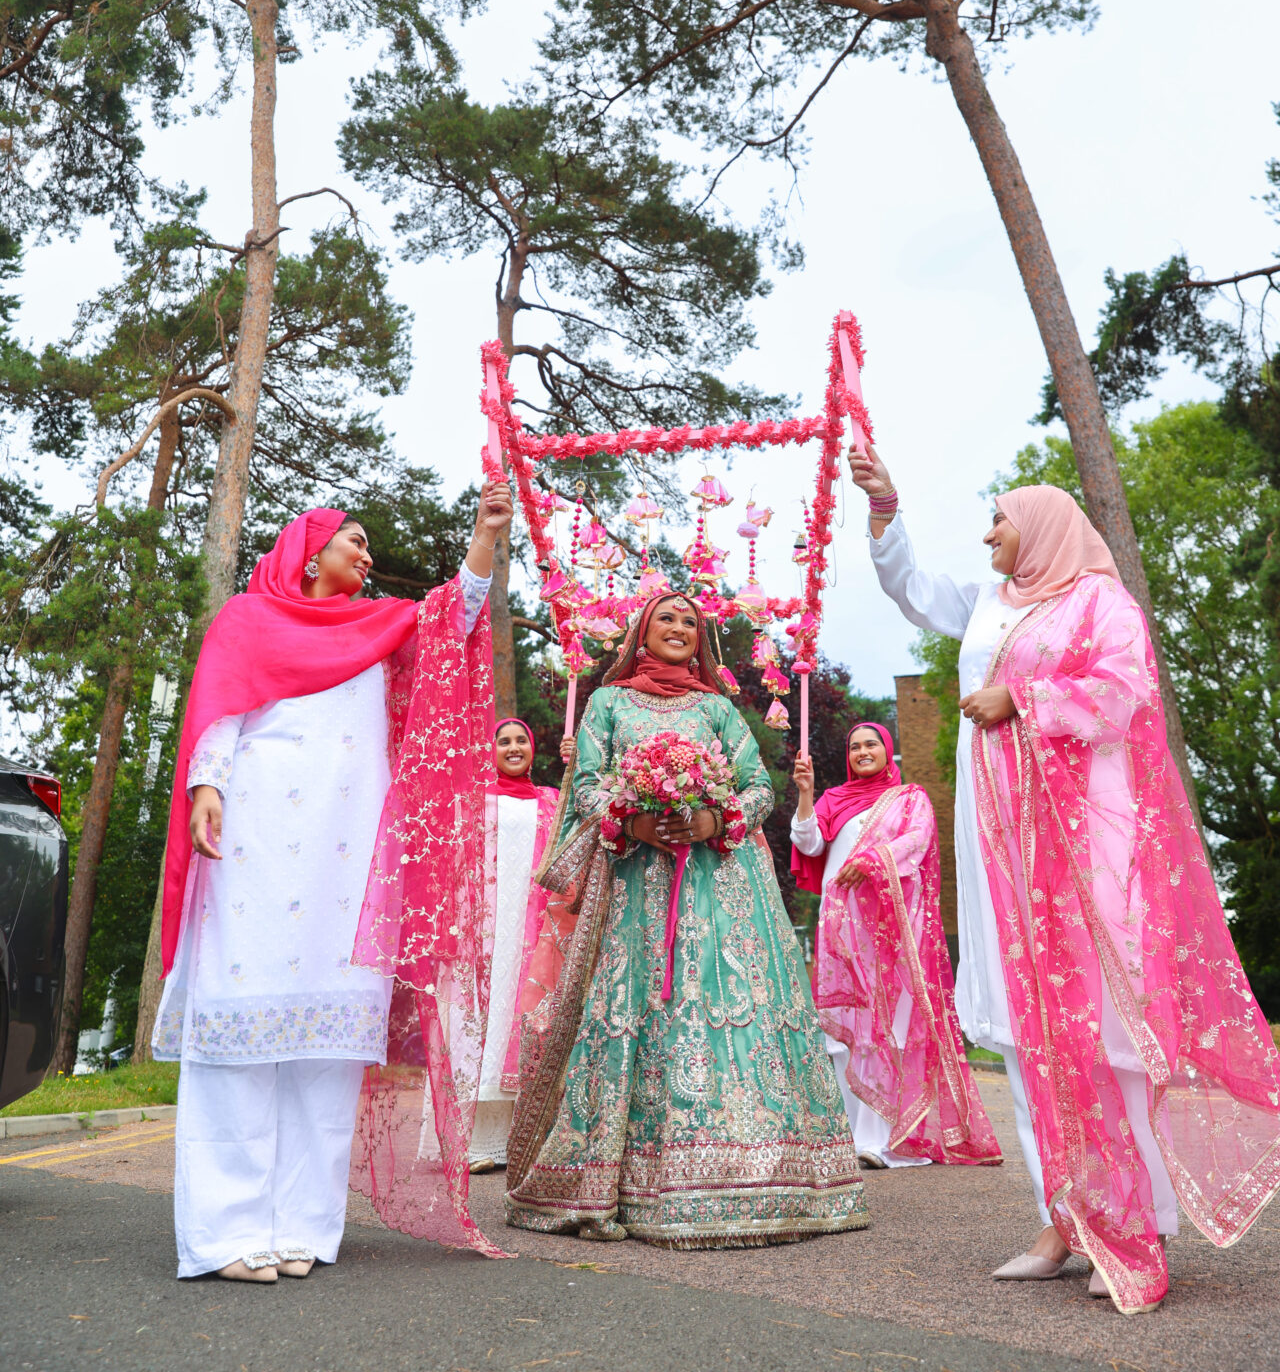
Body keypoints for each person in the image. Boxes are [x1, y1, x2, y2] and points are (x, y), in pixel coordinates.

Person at [851, 446, 1280, 1314]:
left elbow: (1125, 693)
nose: (988, 534)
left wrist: (1025, 699)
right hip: (996, 838)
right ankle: (1064, 1216)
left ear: (1041, 525)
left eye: (999, 519)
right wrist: (886, 510)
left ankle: (1141, 1218)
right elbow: (911, 591)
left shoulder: (1099, 600)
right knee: (1023, 1028)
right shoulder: (985, 604)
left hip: (1085, 839)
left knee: (1104, 1027)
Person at [153, 483, 513, 1281]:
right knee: (240, 1040)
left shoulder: (384, 625)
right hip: (254, 845)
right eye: (354, 539)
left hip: (349, 855)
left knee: (327, 1050)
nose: (367, 552)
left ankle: (301, 1230)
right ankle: (223, 1236)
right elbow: (219, 713)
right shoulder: (249, 620)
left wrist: (485, 536)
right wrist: (206, 789)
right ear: (310, 550)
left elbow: (456, 622)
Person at [504, 589, 869, 1248]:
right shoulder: (609, 704)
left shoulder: (717, 708)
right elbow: (586, 784)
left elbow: (760, 789)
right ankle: (622, 1181)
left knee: (722, 1009)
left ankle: (763, 1176)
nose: (678, 628)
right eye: (665, 618)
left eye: (689, 622)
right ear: (643, 634)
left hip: (724, 885)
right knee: (641, 1010)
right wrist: (635, 818)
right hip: (637, 883)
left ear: (702, 640)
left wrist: (712, 817)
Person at [790, 721, 1000, 1171]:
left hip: (892, 934)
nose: (863, 751)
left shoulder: (911, 798)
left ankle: (887, 1138)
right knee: (844, 1032)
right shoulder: (832, 800)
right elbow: (808, 844)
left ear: (888, 751)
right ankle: (845, 1135)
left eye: (871, 745)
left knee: (892, 1030)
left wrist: (868, 860)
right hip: (843, 930)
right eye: (855, 747)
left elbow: (917, 841)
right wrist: (806, 793)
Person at [468, 718, 562, 1171]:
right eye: (503, 741)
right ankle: (479, 1141)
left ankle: (521, 1139)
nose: (512, 747)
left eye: (521, 739)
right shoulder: (476, 802)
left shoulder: (550, 801)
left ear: (532, 747)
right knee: (487, 1020)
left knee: (523, 1021)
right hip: (488, 928)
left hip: (535, 930)